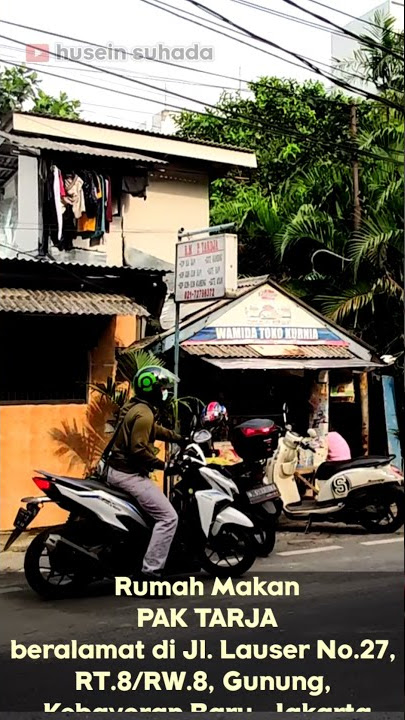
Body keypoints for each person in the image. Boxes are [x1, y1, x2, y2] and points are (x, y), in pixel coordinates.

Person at [107, 365, 182, 580]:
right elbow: (138, 449)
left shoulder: (136, 407)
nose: (165, 393)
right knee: (168, 517)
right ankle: (150, 572)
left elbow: (152, 430)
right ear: (153, 390)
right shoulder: (145, 413)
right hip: (129, 474)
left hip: (116, 470)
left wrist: (177, 437)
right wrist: (164, 466)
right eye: (163, 389)